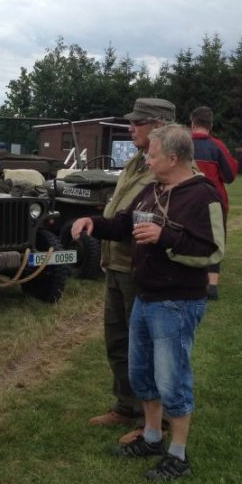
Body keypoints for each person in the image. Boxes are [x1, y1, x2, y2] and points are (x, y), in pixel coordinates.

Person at [72, 124, 224, 481]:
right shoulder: (152, 190)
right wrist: (93, 222)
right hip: (146, 297)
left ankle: (178, 455)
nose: (147, 159)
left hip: (177, 303)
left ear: (173, 158)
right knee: (142, 374)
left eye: (152, 155)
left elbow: (213, 250)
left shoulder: (203, 196)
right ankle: (152, 437)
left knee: (173, 380)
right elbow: (124, 224)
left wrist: (165, 236)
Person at [86, 98, 175, 433]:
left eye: (138, 123)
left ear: (161, 126)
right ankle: (126, 405)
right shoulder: (137, 162)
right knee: (118, 341)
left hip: (142, 267)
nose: (130, 128)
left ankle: (157, 419)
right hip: (117, 262)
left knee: (148, 347)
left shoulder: (169, 166)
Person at [190, 106, 238, 300]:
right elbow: (230, 176)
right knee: (215, 240)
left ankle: (189, 279)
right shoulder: (218, 146)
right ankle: (212, 286)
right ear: (211, 125)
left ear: (192, 123)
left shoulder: (181, 144)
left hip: (186, 199)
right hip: (214, 202)